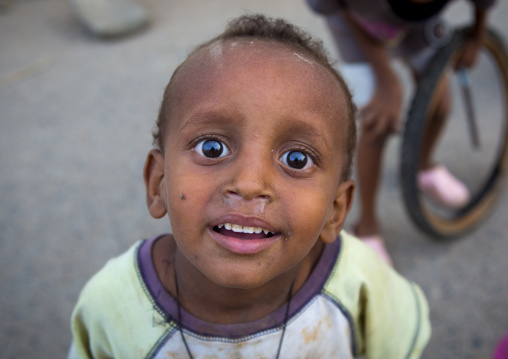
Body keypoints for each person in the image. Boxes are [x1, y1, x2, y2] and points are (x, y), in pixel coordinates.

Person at [68, 14, 430, 358]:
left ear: (336, 210)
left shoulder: (359, 284)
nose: (249, 184)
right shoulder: (112, 304)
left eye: (297, 159)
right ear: (157, 183)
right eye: (212, 148)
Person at [306, 0, 496, 264]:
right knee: (378, 123)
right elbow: (338, 6)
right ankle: (367, 225)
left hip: (417, 21)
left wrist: (477, 37)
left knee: (439, 104)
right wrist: (386, 79)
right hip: (355, 20)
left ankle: (425, 168)